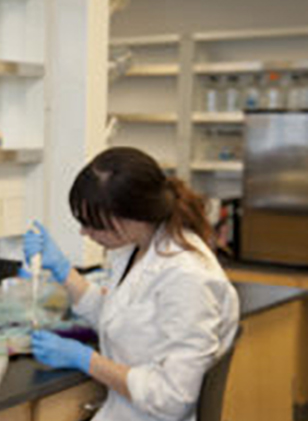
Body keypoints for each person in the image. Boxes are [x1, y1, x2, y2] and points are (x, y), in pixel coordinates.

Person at [24, 146, 239, 421]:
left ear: (131, 215)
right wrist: (64, 272)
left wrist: (87, 361)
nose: (84, 232)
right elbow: (122, 316)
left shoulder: (187, 277)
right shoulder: (138, 247)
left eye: (92, 224)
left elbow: (174, 397)